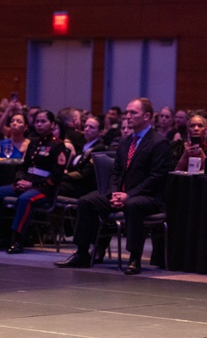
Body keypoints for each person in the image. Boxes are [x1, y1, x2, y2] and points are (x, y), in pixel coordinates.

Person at [55, 97, 172, 275]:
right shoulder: (125, 142)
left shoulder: (159, 143)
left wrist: (128, 195)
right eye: (127, 112)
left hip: (148, 197)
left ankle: (134, 258)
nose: (128, 116)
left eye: (133, 113)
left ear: (147, 116)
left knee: (133, 205)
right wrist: (114, 193)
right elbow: (115, 172)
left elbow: (156, 178)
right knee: (87, 201)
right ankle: (82, 253)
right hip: (121, 193)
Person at [0, 109, 68, 254]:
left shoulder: (58, 146)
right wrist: (19, 181)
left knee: (25, 199)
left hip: (44, 189)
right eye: (37, 122)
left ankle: (17, 240)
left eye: (43, 121)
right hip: (25, 184)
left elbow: (56, 177)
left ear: (53, 124)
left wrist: (33, 185)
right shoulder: (33, 142)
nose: (39, 125)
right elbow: (24, 167)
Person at [59, 115, 107, 199]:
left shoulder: (99, 148)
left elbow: (85, 174)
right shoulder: (84, 146)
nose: (87, 129)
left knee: (54, 186)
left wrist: (64, 176)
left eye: (91, 127)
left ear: (100, 132)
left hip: (85, 187)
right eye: (86, 126)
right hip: (74, 183)